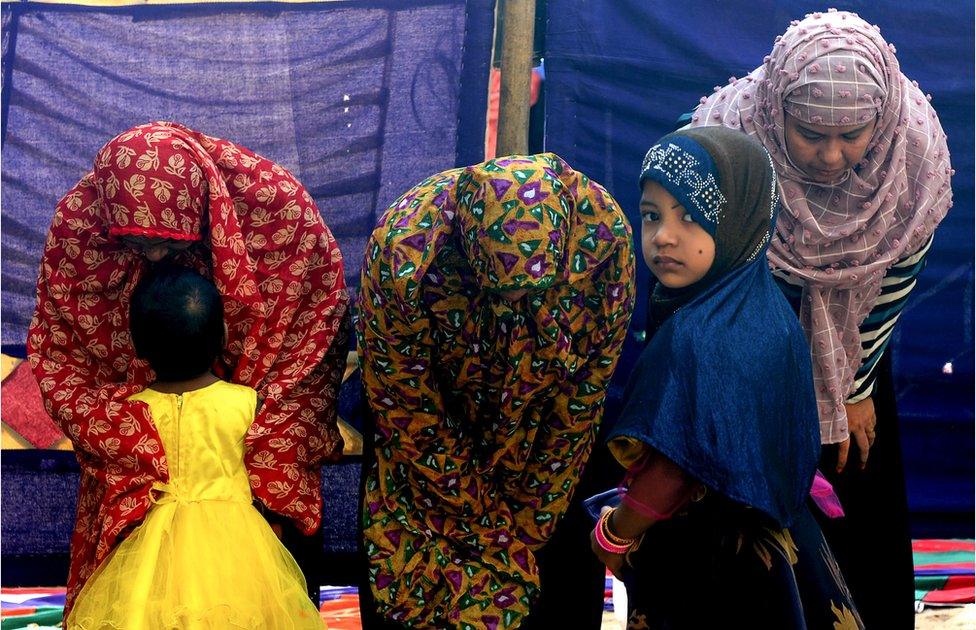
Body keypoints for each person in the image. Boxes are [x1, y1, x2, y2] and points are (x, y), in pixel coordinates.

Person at [687, 10, 953, 627]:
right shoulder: (726, 137)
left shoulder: (910, 147)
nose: (833, 157)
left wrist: (853, 390)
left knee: (856, 485)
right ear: (776, 109)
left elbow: (898, 275)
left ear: (881, 120)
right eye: (809, 134)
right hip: (751, 345)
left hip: (855, 352)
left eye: (853, 135)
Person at [27, 121, 350, 615]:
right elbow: (64, 352)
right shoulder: (82, 225)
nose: (154, 256)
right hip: (243, 550)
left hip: (155, 531)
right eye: (135, 243)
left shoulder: (278, 212)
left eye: (165, 242)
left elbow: (310, 330)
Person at [591, 126, 862, 629]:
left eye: (691, 218)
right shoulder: (768, 311)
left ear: (741, 220)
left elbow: (676, 466)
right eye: (651, 216)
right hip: (782, 546)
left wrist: (614, 534)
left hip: (707, 564)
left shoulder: (695, 337)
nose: (663, 237)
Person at [356, 153, 635, 628]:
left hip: (544, 453)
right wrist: (489, 529)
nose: (516, 310)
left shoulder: (603, 242)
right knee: (421, 595)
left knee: (556, 600)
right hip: (427, 459)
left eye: (533, 296)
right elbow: (405, 407)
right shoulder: (405, 252)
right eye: (500, 294)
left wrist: (529, 521)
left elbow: (583, 397)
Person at [66, 266, 324, 628]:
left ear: (137, 345)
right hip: (239, 556)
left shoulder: (128, 412)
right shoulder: (249, 404)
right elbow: (282, 481)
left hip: (149, 558)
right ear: (223, 336)